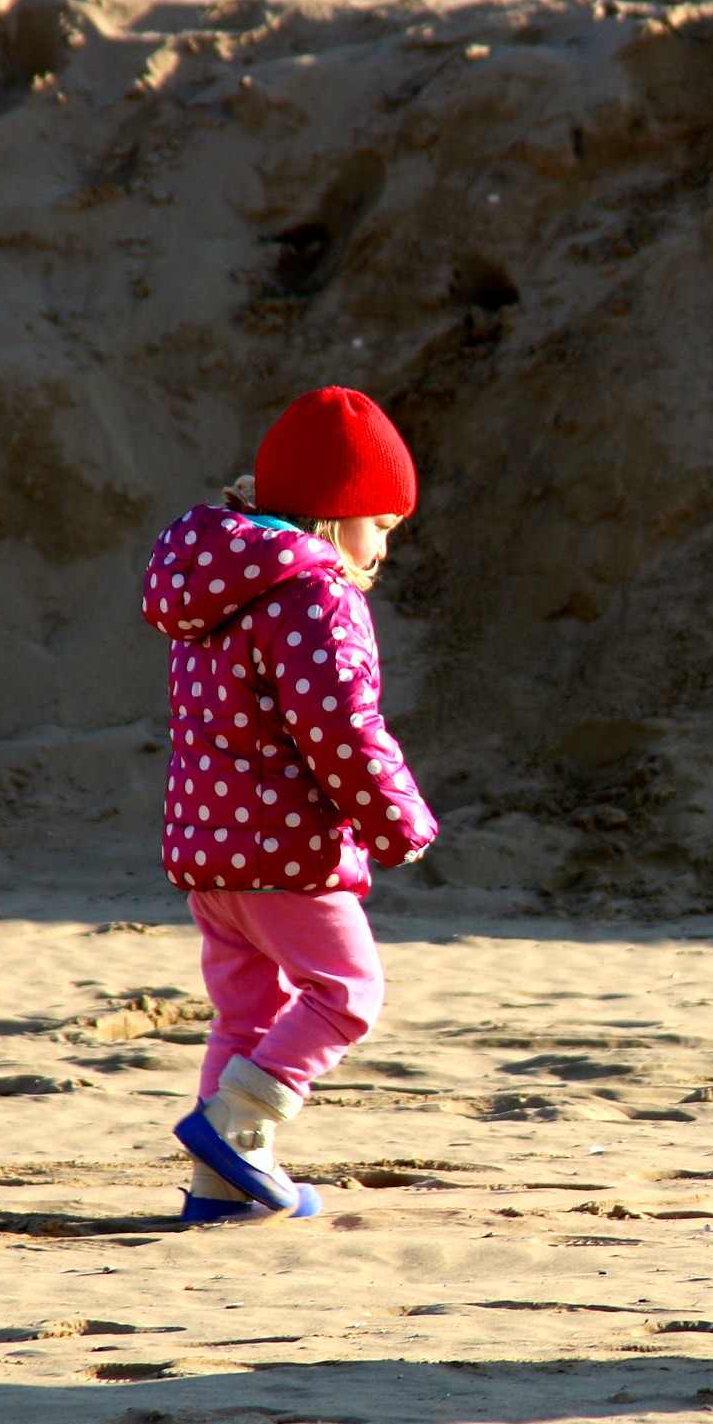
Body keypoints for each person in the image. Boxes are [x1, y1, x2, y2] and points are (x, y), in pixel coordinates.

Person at [140, 386, 439, 1221]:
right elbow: (341, 723)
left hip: (211, 852)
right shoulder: (315, 594)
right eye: (379, 524)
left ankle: (221, 1189)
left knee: (247, 1013)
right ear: (336, 513)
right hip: (290, 853)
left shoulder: (212, 591)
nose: (381, 548)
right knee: (347, 992)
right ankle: (236, 1129)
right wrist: (397, 821)